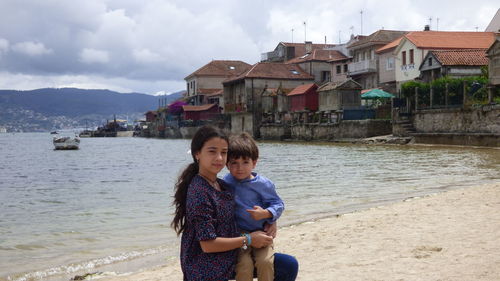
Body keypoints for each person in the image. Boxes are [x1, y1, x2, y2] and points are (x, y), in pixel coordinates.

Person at [171, 125, 298, 281]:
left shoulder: (222, 185)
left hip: (231, 252)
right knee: (283, 266)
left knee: (288, 265)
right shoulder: (199, 191)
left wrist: (270, 219)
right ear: (198, 154)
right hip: (208, 267)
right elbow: (207, 245)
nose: (219, 158)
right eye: (212, 151)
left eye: (223, 152)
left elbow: (251, 204)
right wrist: (250, 239)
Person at [224, 132, 284, 281]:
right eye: (234, 163)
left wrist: (267, 214)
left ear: (254, 163)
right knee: (244, 265)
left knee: (265, 262)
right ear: (226, 164)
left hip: (262, 232)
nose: (239, 168)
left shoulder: (263, 184)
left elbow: (278, 204)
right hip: (239, 235)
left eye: (245, 162)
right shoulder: (226, 183)